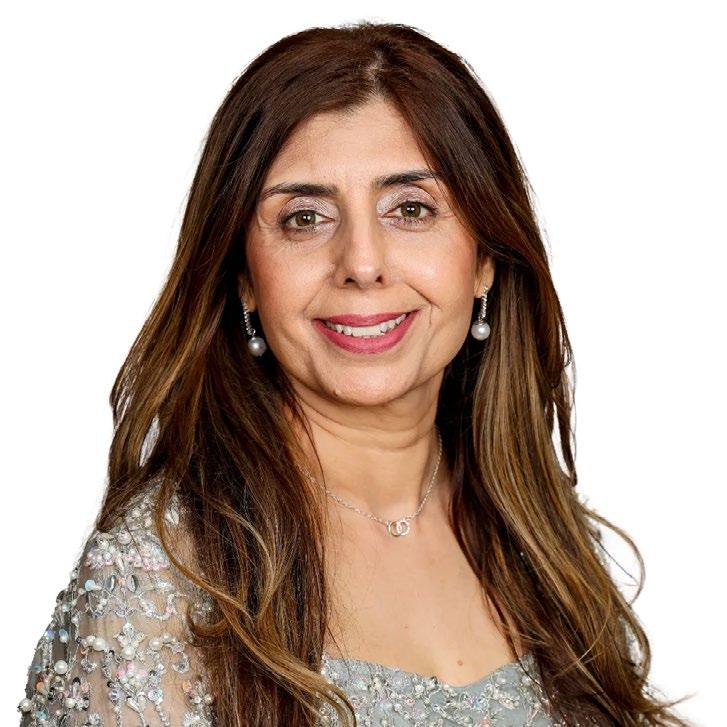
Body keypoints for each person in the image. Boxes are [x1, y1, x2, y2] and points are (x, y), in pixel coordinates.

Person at [17, 21, 693, 727]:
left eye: (411, 209)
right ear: (244, 276)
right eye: (305, 218)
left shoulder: (552, 546)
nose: (362, 263)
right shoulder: (156, 575)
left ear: (486, 259)